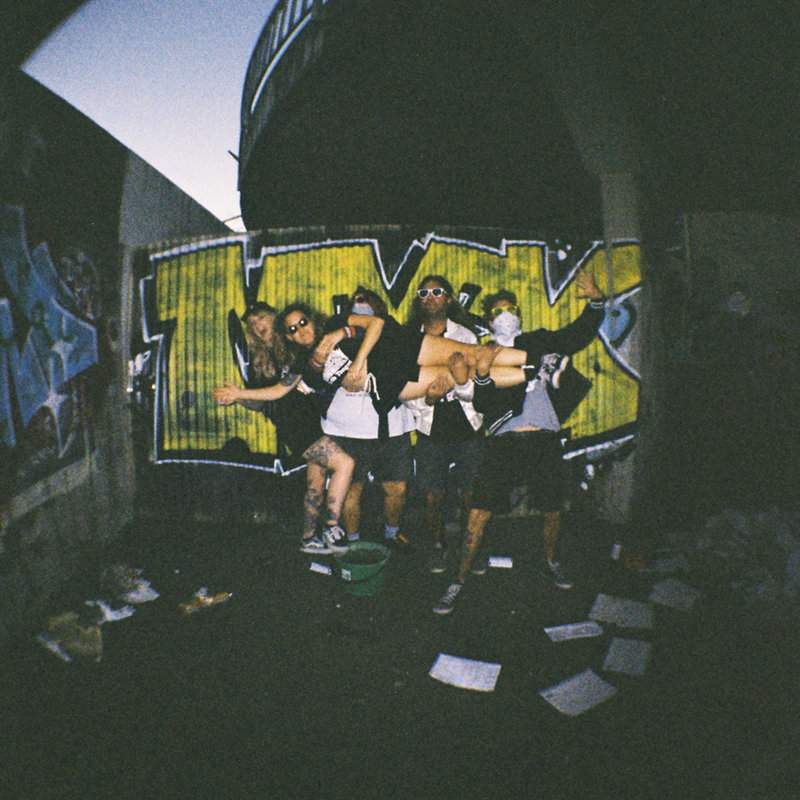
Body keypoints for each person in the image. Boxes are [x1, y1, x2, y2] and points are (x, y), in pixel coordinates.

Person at [433, 268, 606, 615]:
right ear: (489, 321)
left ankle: (551, 561)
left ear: (520, 316)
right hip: (504, 442)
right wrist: (483, 374)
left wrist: (596, 301)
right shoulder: (483, 351)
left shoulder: (535, 342)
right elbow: (482, 403)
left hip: (544, 439)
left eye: (510, 309)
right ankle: (459, 579)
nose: (505, 315)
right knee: (478, 512)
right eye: (497, 311)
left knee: (554, 507)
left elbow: (575, 336)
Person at [212, 303, 354, 555]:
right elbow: (260, 401)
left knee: (315, 487)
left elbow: (282, 389)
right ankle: (331, 526)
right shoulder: (260, 361)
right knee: (345, 464)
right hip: (296, 428)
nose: (257, 325)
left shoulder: (292, 349)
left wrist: (239, 394)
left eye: (261, 317)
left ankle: (308, 538)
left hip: (317, 421)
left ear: (274, 319)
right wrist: (237, 398)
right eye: (252, 323)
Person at [321, 287, 415, 549]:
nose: (359, 304)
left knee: (397, 489)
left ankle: (392, 534)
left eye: (364, 300)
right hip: (346, 427)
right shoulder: (334, 332)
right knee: (351, 490)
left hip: (391, 426)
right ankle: (353, 542)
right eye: (355, 302)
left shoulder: (393, 333)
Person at [403, 275, 486, 573]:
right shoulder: (409, 337)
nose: (430, 297)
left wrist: (458, 385)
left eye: (437, 291)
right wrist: (428, 399)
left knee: (470, 494)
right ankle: (437, 546)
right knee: (431, 496)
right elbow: (404, 387)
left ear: (449, 299)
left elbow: (477, 384)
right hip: (430, 428)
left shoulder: (465, 336)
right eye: (423, 292)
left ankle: (470, 549)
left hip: (467, 425)